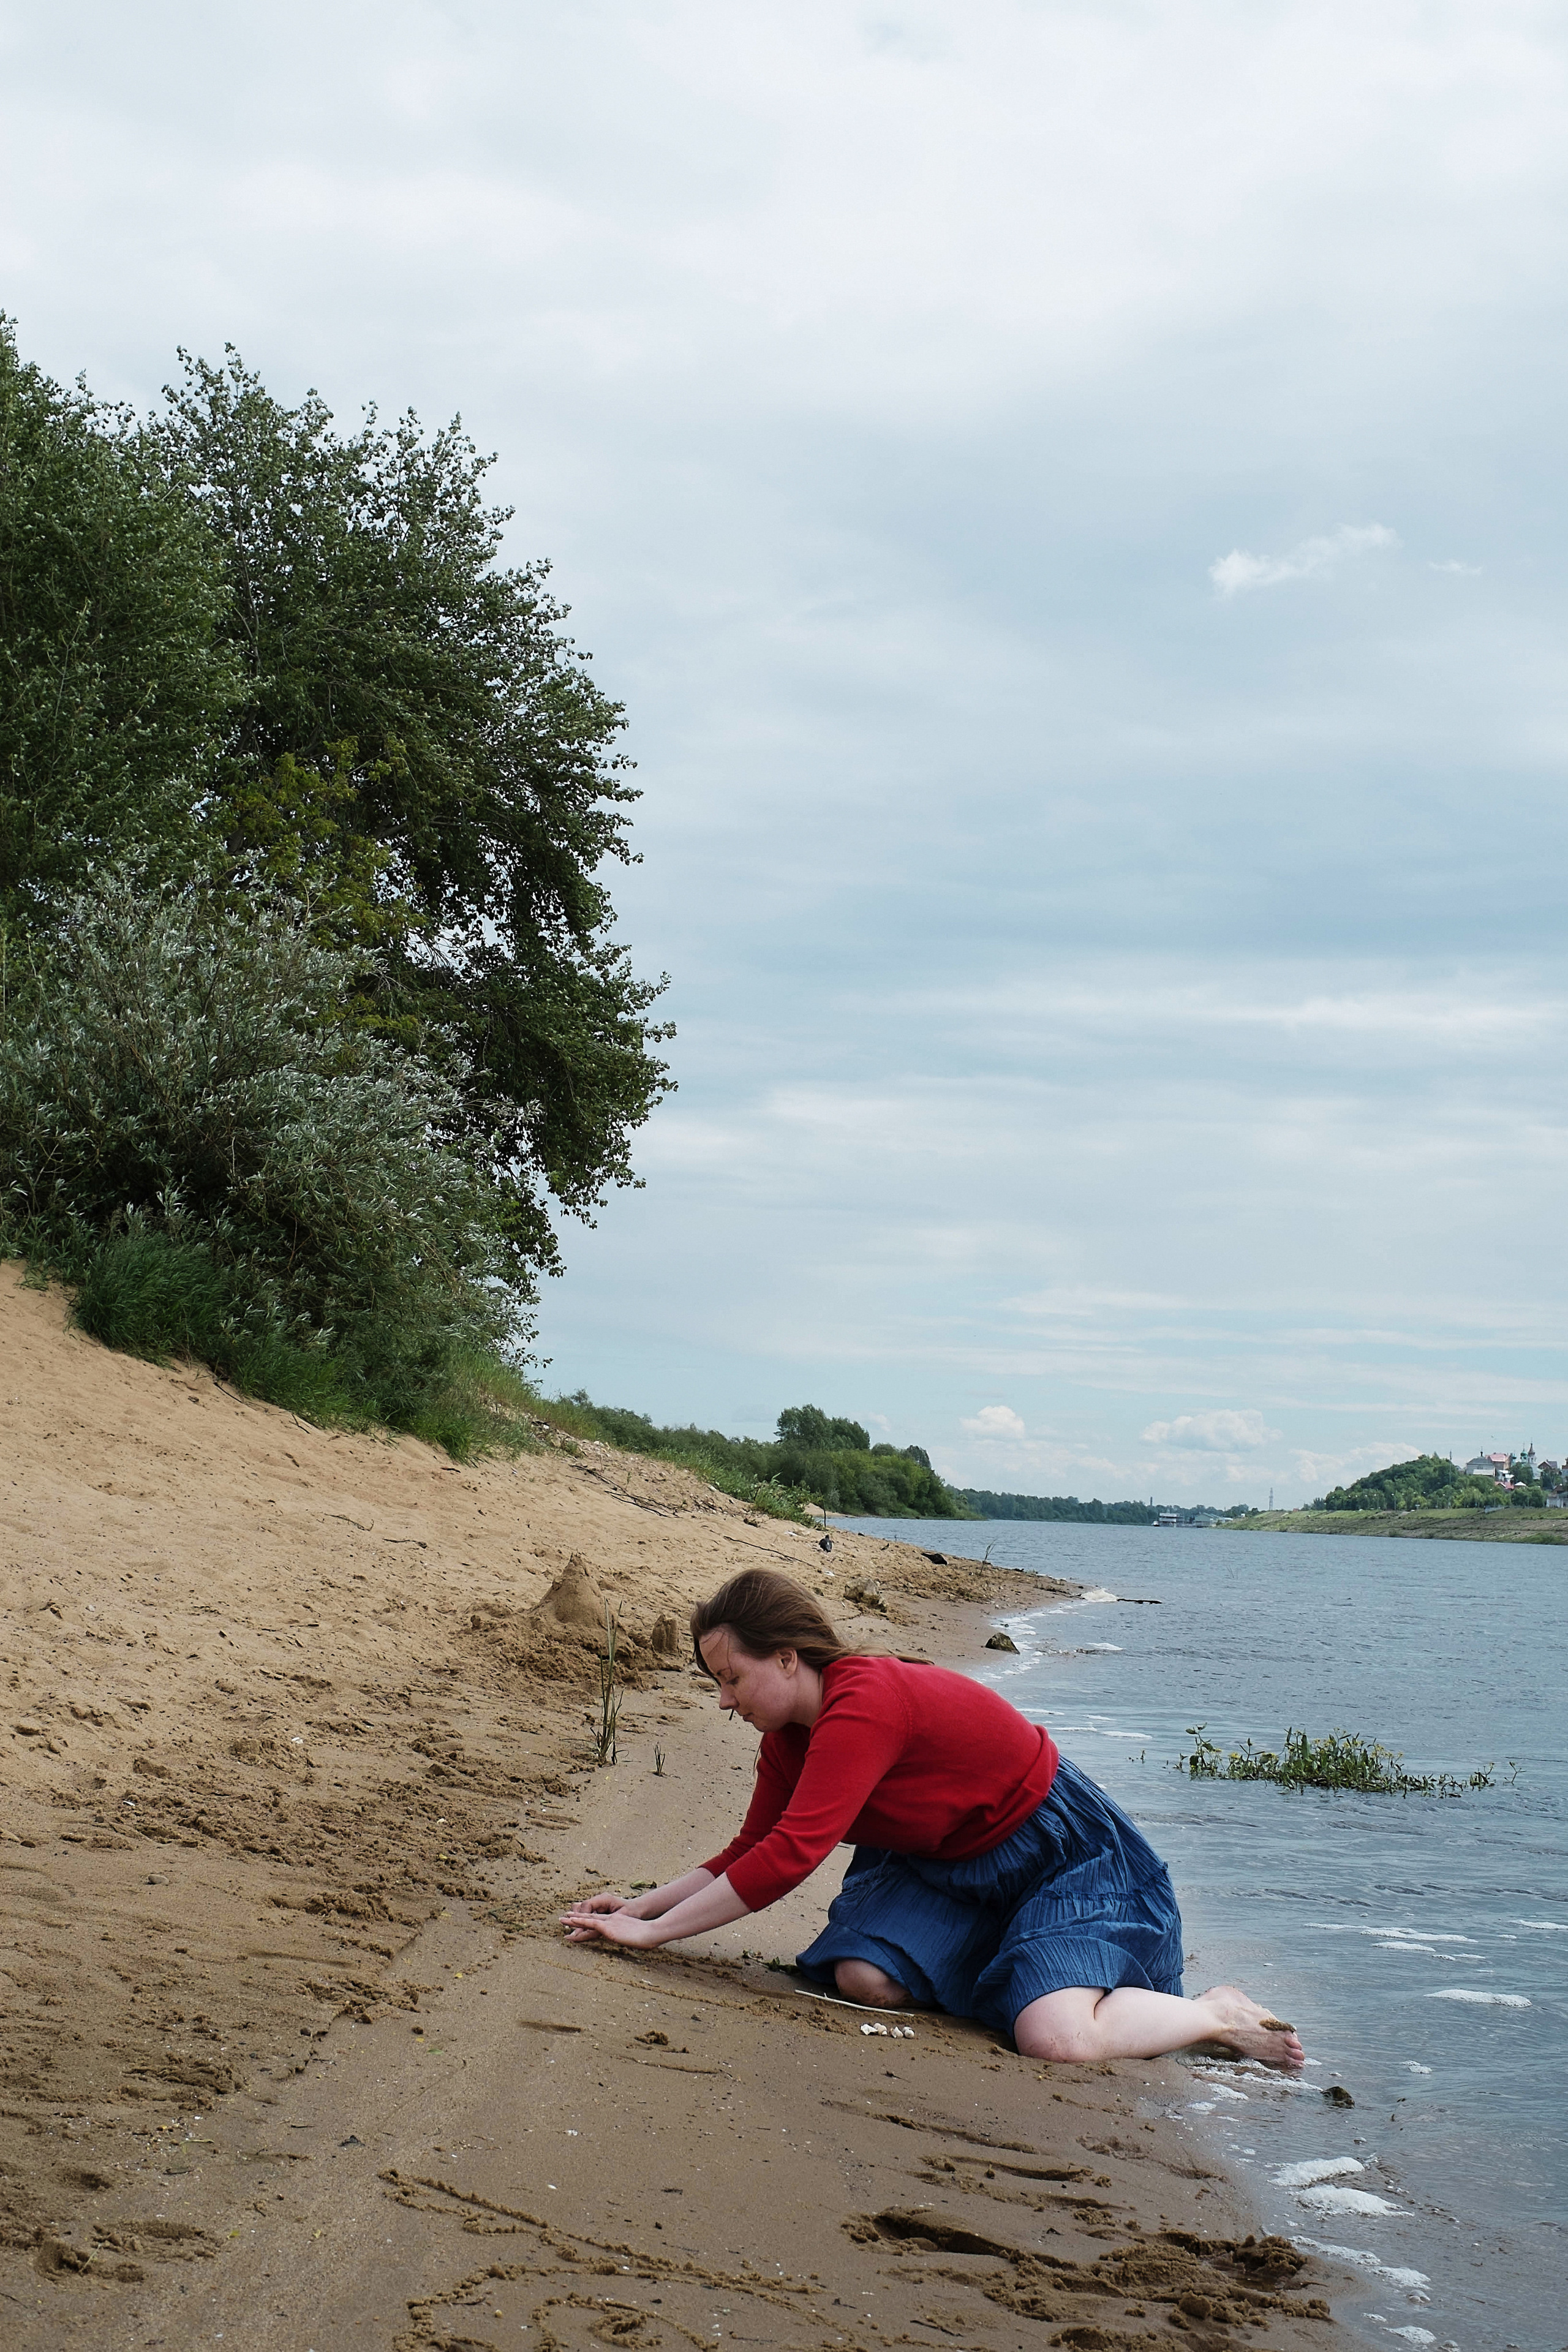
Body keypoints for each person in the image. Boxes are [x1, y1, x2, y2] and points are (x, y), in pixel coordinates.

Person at [562, 1568, 1305, 2067]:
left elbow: (792, 1857)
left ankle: (1216, 2012)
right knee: (863, 1979)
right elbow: (752, 1846)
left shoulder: (864, 1702)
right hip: (946, 1864)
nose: (725, 1700)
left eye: (732, 1677)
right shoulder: (786, 1738)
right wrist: (641, 1905)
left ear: (786, 1659)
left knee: (1056, 2041)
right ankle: (1022, 1968)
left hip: (1061, 1859)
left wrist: (654, 1936)